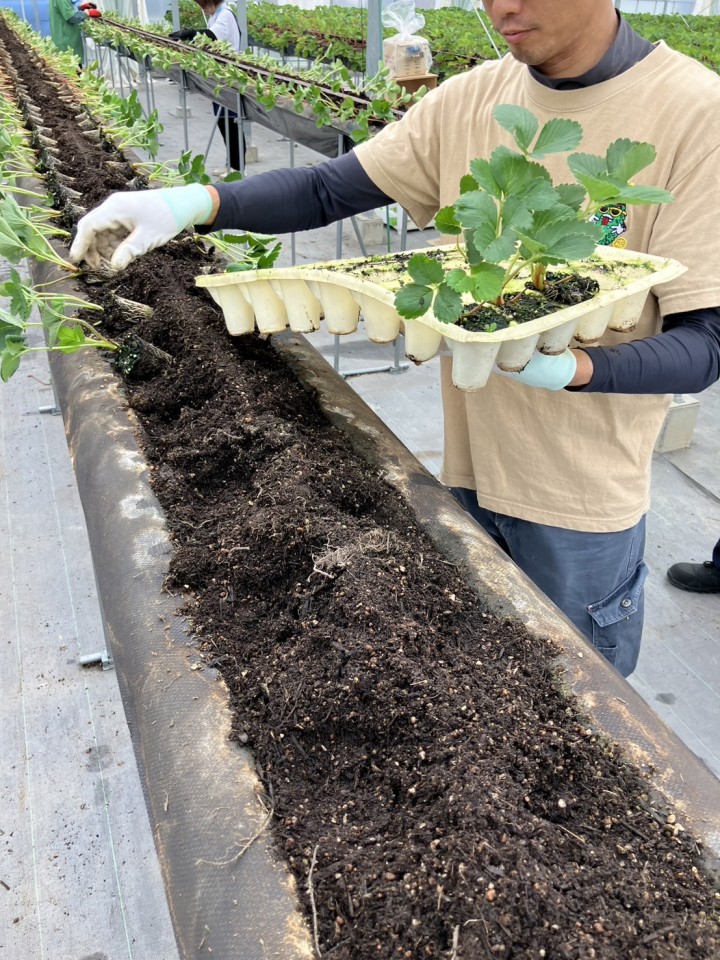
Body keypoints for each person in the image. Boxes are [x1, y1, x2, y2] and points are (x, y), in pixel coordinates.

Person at [70, 0, 720, 679]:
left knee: (583, 703)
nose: (502, 8)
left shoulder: (695, 113)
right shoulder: (474, 98)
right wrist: (194, 203)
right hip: (465, 474)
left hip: (580, 505)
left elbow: (706, 341)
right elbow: (327, 192)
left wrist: (574, 369)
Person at [169, 0, 244, 172]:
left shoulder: (225, 15)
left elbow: (211, 35)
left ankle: (238, 168)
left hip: (228, 77)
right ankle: (231, 165)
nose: (202, 9)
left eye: (203, 5)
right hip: (219, 76)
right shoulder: (216, 15)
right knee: (223, 121)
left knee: (230, 123)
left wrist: (190, 33)